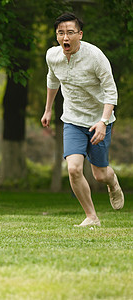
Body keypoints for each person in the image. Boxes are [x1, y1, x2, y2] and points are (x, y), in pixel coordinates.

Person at [41, 12, 124, 227]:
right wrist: (48, 110)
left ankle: (113, 182)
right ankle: (91, 217)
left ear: (80, 34)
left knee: (100, 175)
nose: (65, 37)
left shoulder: (96, 56)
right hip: (72, 119)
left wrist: (103, 122)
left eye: (70, 32)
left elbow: (111, 91)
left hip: (99, 120)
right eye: (61, 33)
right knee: (74, 168)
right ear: (56, 36)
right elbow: (52, 80)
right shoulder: (52, 55)